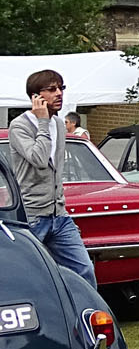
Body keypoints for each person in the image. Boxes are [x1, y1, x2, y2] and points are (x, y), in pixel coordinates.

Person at [6, 69, 97, 287]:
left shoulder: (58, 124)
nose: (59, 94)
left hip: (59, 215)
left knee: (84, 270)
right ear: (36, 97)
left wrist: (48, 122)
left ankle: (82, 308)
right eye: (52, 89)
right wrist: (43, 122)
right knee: (29, 278)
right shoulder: (19, 126)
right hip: (32, 217)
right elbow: (38, 158)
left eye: (61, 88)